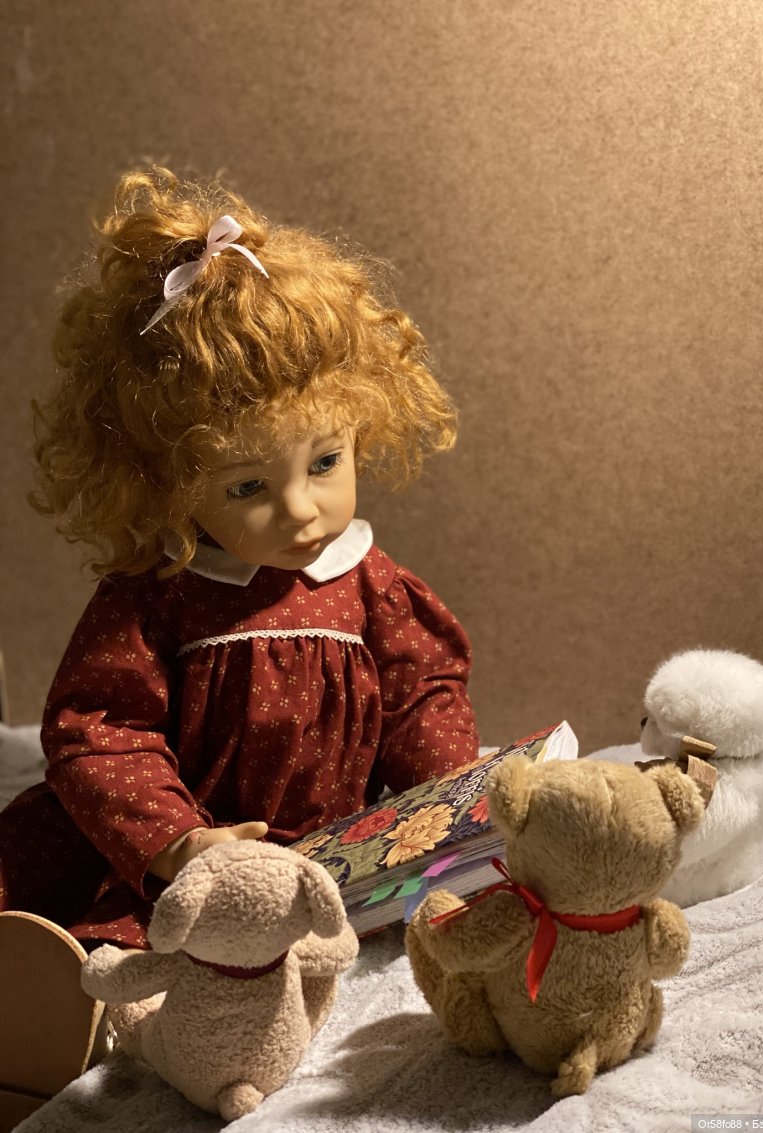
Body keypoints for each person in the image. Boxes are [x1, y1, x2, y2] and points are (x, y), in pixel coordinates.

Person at [0, 167, 478, 1110]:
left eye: (326, 461)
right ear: (165, 482)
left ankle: (115, 1018)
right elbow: (99, 730)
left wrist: (456, 810)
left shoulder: (372, 584)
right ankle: (66, 1016)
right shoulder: (160, 596)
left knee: (259, 954)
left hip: (312, 861)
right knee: (77, 899)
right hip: (177, 855)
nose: (300, 508)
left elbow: (426, 702)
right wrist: (178, 844)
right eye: (248, 486)